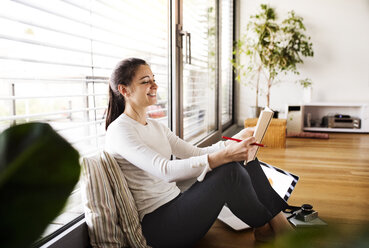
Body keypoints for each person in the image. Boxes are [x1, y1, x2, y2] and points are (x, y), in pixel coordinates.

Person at [104, 58, 292, 248]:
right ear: (124, 90)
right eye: (145, 81)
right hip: (160, 227)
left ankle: (273, 222)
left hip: (178, 204)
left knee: (244, 155)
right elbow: (166, 170)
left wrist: (235, 141)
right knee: (230, 171)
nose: (155, 85)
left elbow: (195, 152)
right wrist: (227, 154)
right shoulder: (119, 130)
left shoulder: (155, 126)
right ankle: (266, 225)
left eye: (153, 79)